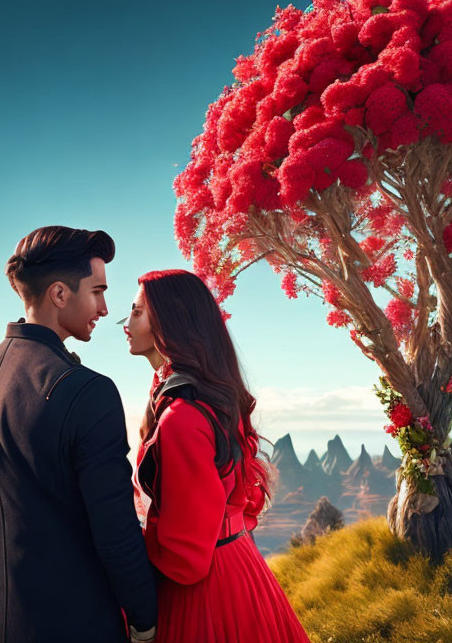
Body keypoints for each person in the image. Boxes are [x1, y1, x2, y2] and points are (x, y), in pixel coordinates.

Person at [0, 226, 157, 643]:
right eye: (97, 291)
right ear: (60, 294)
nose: (104, 306)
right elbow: (114, 531)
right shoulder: (88, 391)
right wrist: (144, 620)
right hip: (83, 626)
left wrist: (9, 592)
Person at [124, 269, 310, 643]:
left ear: (169, 322)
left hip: (203, 588)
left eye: (138, 312)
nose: (126, 323)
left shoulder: (181, 418)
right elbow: (244, 501)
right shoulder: (212, 398)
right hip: (240, 567)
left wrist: (126, 555)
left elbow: (185, 553)